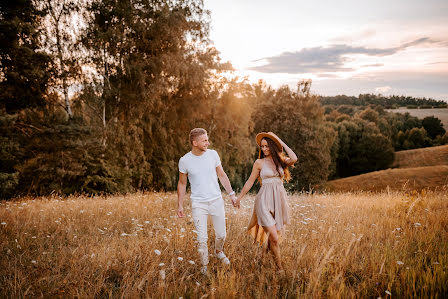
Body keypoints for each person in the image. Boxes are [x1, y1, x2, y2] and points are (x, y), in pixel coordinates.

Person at [177, 128, 238, 275]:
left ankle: (218, 251)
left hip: (216, 200)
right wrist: (180, 205)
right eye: (204, 140)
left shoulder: (213, 155)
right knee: (202, 238)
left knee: (221, 234)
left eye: (207, 140)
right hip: (198, 204)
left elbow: (222, 175)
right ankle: (204, 266)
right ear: (195, 142)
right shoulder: (185, 160)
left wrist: (232, 194)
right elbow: (182, 183)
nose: (208, 143)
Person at [234, 132, 297, 271]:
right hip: (263, 201)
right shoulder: (259, 163)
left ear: (273, 146)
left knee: (271, 236)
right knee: (274, 237)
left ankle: (260, 260)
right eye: (262, 147)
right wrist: (239, 198)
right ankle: (279, 268)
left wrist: (280, 140)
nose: (264, 149)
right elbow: (250, 182)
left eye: (267, 146)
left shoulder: (281, 161)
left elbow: (294, 158)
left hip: (278, 201)